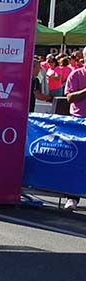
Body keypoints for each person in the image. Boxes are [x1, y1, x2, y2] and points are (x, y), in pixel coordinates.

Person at [62, 50, 86, 211]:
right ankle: (72, 198)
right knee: (77, 161)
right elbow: (69, 97)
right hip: (79, 122)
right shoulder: (76, 74)